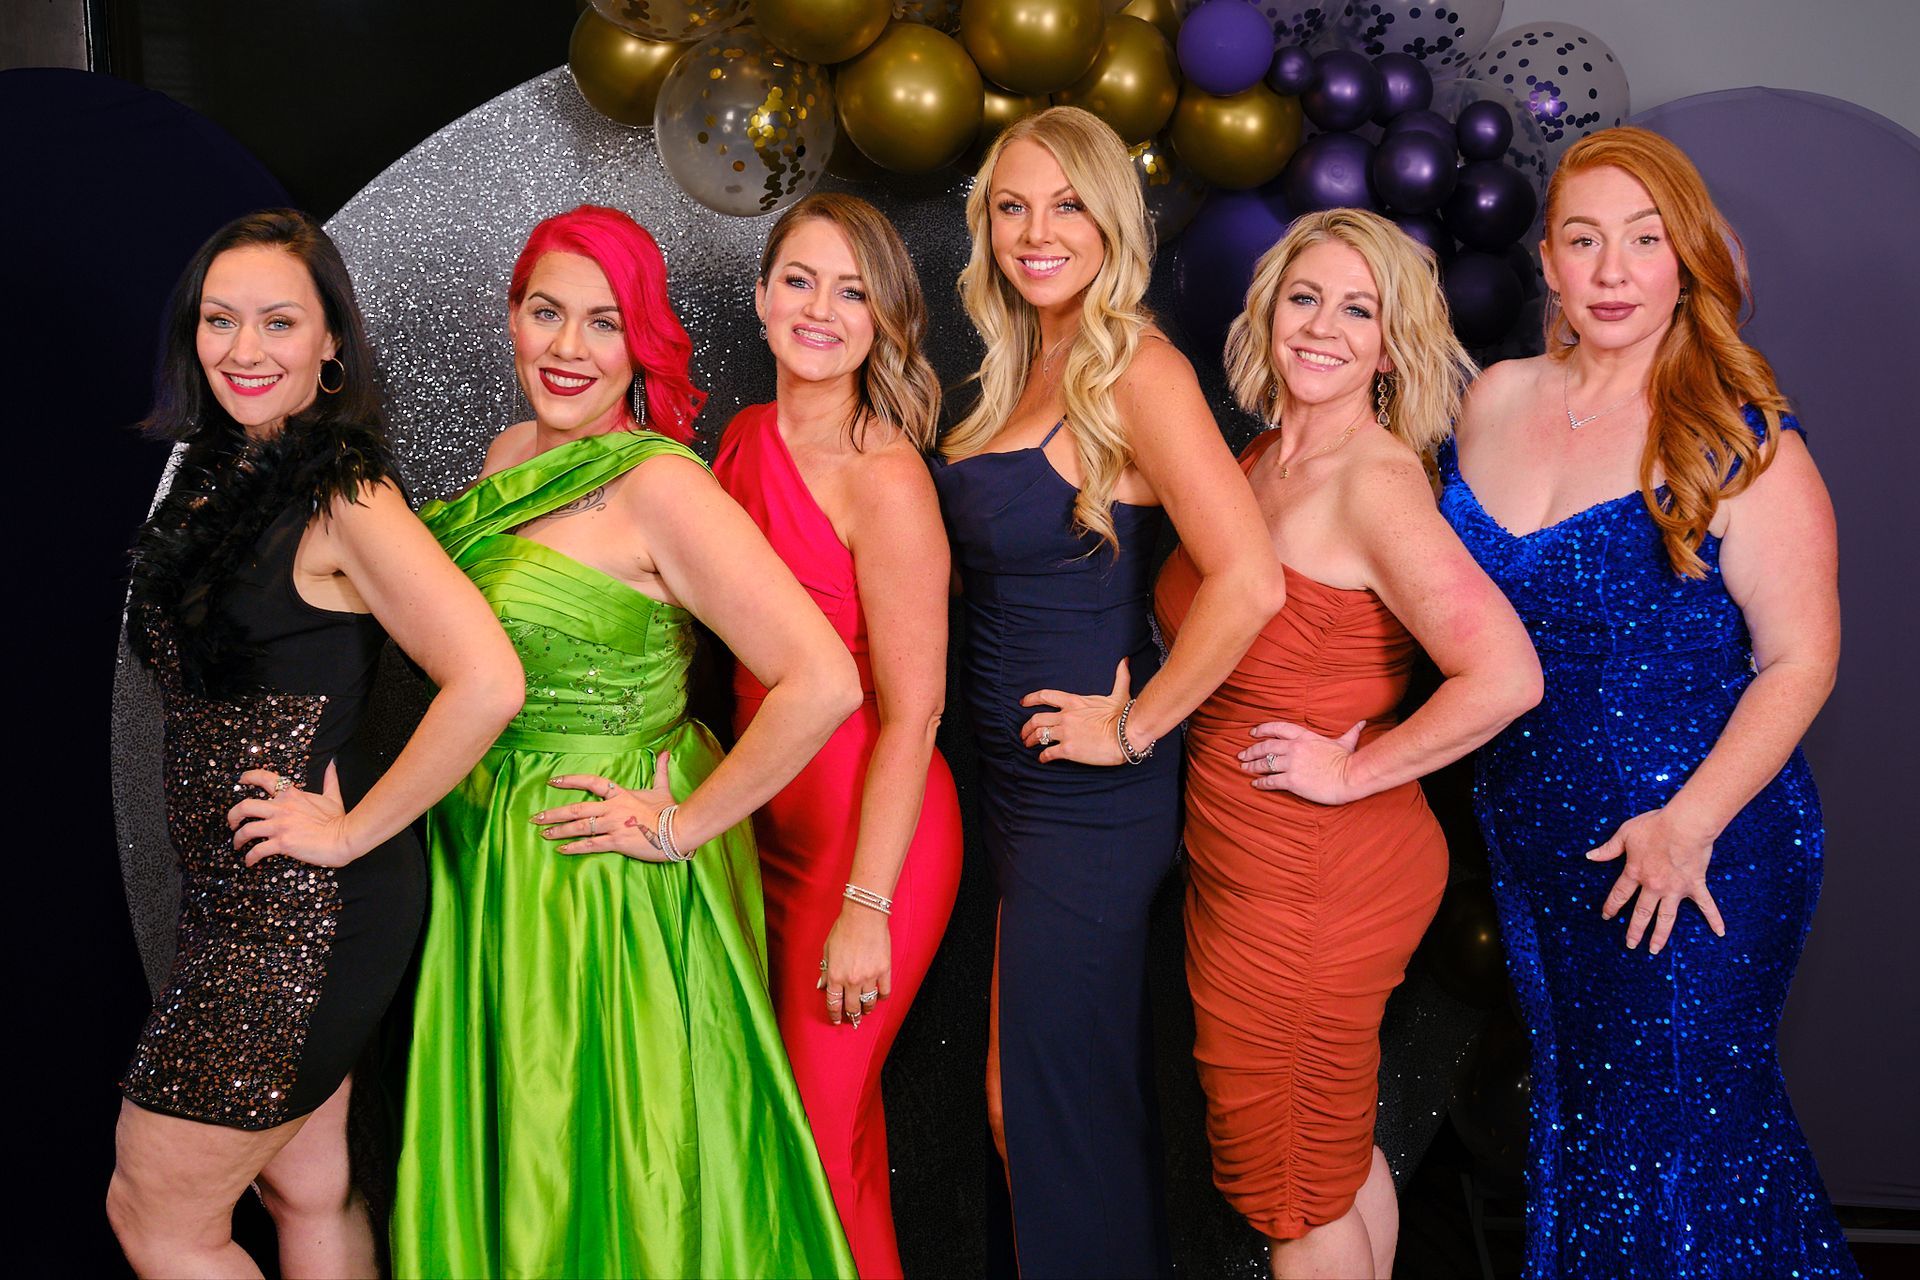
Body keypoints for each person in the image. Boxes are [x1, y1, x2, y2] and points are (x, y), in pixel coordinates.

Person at [386, 205, 861, 1278]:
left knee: (611, 1154)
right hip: (488, 844)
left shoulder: (660, 485)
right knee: (521, 1146)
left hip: (597, 866)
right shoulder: (511, 454)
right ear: (510, 317)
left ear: (641, 342)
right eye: (546, 313)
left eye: (603, 324)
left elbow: (822, 679)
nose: (567, 349)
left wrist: (683, 822)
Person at [1438, 127, 1857, 1278]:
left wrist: (1689, 823)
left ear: (1688, 259)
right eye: (1585, 240)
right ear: (1550, 263)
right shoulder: (1492, 402)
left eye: (1644, 238)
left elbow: (1801, 661)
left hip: (1698, 850)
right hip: (1536, 847)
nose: (1614, 270)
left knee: (1681, 1146)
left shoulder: (1739, 434)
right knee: (1586, 1136)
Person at [108, 210, 524, 1278]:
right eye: (220, 320)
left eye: (278, 322)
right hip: (241, 897)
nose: (244, 351)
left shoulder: (347, 495)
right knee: (307, 1183)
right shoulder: (223, 471)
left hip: (298, 914)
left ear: (330, 341)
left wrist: (347, 833)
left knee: (157, 1214)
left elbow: (489, 679)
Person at [930, 106, 1286, 1276]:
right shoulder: (1019, 361)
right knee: (1017, 1102)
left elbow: (1247, 577)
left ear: (1111, 220)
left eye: (1067, 203)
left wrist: (1136, 724)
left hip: (1089, 803)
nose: (1038, 231)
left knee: (1042, 1111)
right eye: (1013, 205)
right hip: (1005, 787)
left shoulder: (1136, 363)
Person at [1154, 209, 1541, 1279]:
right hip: (1252, 866)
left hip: (1316, 878)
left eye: (1357, 309)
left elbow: (1507, 673)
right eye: (1305, 298)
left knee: (1290, 1186)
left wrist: (1352, 767)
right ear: (1268, 311)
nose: (1324, 327)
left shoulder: (1370, 478)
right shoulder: (1263, 454)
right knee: (1329, 1153)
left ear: (1390, 341)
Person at [710, 192, 964, 1279]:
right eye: (801, 280)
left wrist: (866, 906)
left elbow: (915, 712)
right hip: (754, 836)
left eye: (852, 291)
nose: (821, 309)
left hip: (873, 847)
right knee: (804, 1133)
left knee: (814, 1132)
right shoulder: (739, 438)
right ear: (762, 297)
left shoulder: (887, 475)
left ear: (883, 321)